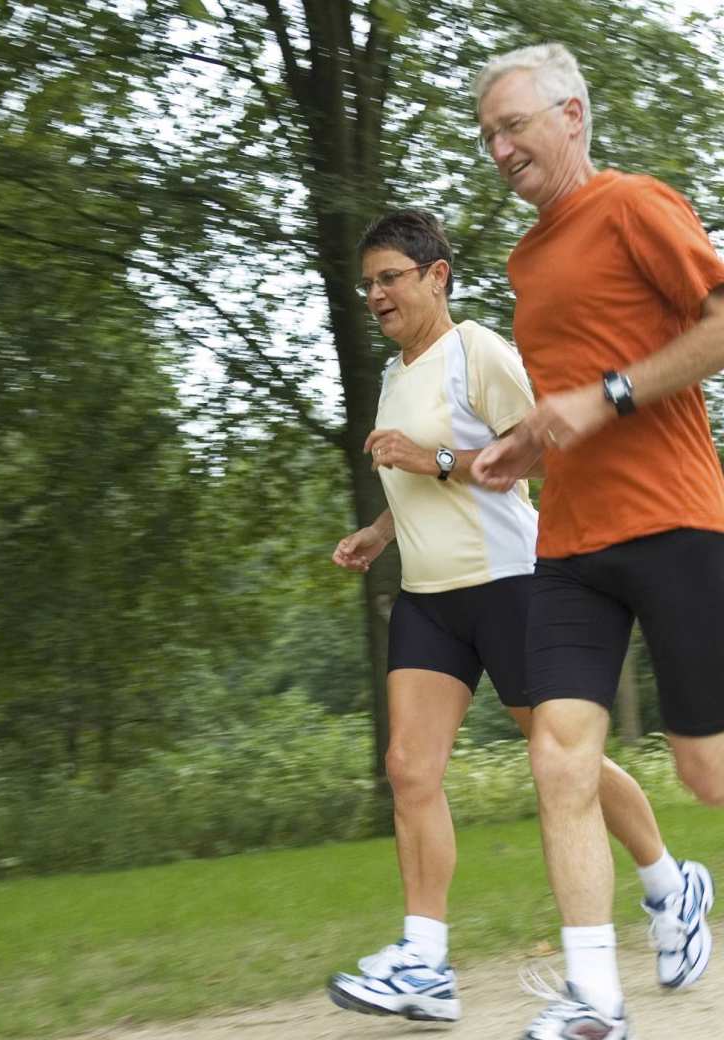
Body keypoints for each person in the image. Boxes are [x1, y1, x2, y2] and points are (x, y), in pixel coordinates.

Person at [324, 208, 700, 1027]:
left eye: (390, 277)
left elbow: (537, 450)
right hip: (428, 599)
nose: (376, 294)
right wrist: (379, 531)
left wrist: (435, 460)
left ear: (437, 276)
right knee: (409, 769)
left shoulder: (479, 352)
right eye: (368, 284)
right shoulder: (394, 374)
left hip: (510, 584)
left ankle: (671, 883)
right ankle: (424, 960)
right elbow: (419, 479)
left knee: (566, 763)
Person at [471, 42, 724, 1040]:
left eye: (513, 125)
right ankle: (593, 1000)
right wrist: (517, 447)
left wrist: (611, 395)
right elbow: (566, 398)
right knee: (557, 755)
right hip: (569, 541)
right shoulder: (525, 259)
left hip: (671, 519)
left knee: (704, 772)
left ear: (570, 116)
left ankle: (679, 890)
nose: (498, 148)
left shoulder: (630, 204)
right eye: (487, 134)